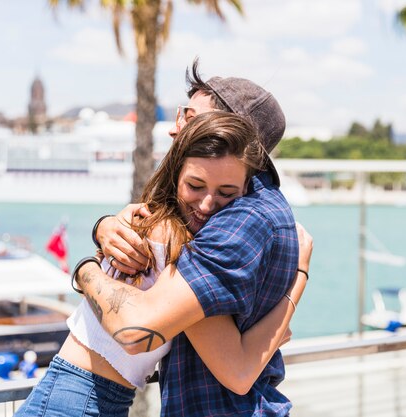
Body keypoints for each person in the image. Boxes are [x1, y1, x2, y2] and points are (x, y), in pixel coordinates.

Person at [15, 112, 311, 417]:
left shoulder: (158, 224)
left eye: (226, 193)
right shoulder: (172, 241)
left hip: (92, 399)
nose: (207, 205)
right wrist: (298, 279)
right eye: (195, 185)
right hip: (74, 400)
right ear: (176, 173)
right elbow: (239, 370)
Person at [83, 60, 307, 416]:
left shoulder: (241, 218)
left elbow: (137, 330)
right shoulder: (226, 208)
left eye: (191, 118)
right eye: (181, 114)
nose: (176, 130)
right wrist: (104, 226)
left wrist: (84, 270)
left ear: (227, 135)